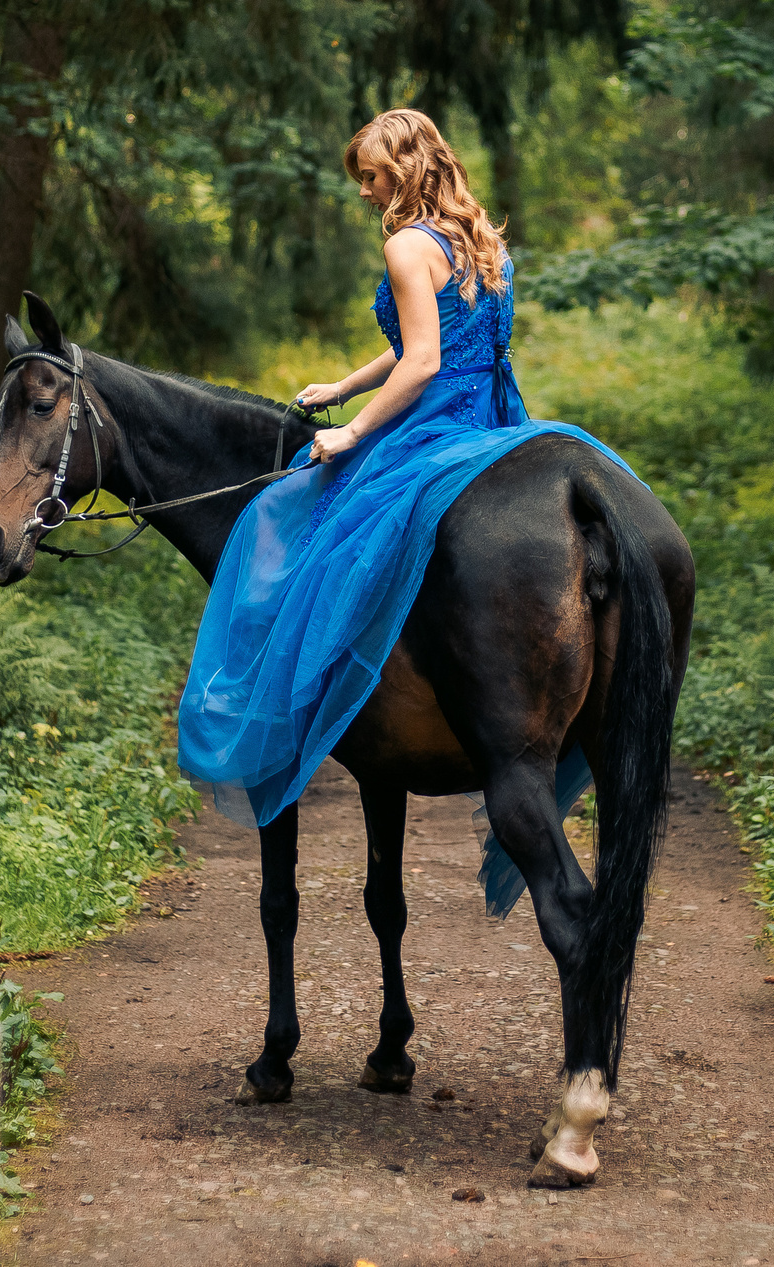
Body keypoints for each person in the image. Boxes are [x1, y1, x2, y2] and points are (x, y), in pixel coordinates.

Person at [174, 109, 633, 906]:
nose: (364, 189)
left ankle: (309, 700)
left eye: (373, 173)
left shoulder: (402, 245)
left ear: (406, 167)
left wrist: (350, 430)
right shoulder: (475, 236)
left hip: (433, 426)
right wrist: (346, 383)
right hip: (493, 418)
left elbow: (423, 361)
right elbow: (436, 335)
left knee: (297, 520)